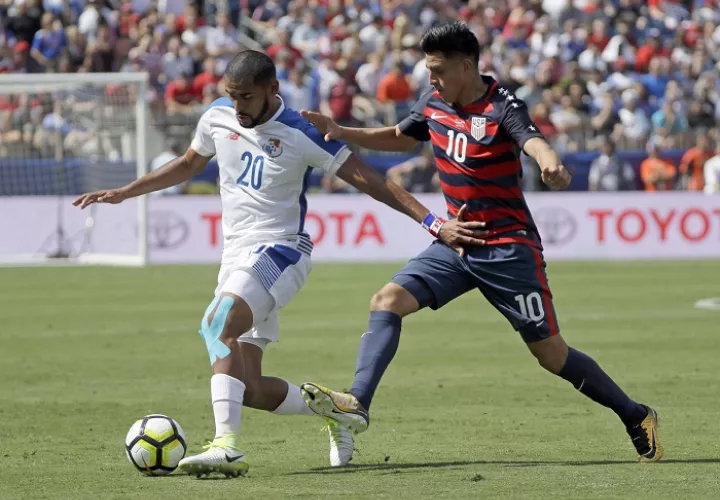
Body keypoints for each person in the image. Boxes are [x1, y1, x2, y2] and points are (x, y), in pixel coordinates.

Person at [72, 50, 485, 476]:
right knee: (248, 388)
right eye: (231, 97)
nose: (238, 108)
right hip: (235, 256)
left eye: (246, 98)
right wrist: (126, 191)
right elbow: (188, 164)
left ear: (273, 89)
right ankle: (339, 410)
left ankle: (226, 446)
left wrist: (434, 223)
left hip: (281, 249)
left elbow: (371, 181)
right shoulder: (218, 117)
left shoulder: (300, 130)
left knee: (218, 323)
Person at [299, 22, 662, 463]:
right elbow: (398, 137)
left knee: (552, 355)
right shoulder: (434, 103)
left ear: (466, 67)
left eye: (438, 70)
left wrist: (551, 166)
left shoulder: (502, 106)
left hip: (509, 249)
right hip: (456, 242)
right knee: (386, 300)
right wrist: (342, 130)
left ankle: (635, 414)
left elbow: (534, 142)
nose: (430, 79)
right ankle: (357, 402)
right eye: (428, 70)